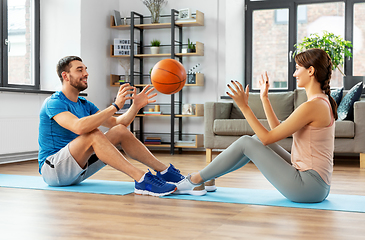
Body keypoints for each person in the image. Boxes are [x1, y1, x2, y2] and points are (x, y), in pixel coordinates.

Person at [175, 48, 337, 203]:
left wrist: (244, 106)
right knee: (254, 139)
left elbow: (267, 138)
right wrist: (264, 97)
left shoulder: (313, 106)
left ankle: (195, 180)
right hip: (314, 184)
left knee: (247, 142)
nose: (294, 74)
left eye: (297, 68)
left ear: (310, 71)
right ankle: (208, 177)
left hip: (309, 187)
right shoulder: (320, 102)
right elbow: (277, 131)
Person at [38, 56, 200, 197]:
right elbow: (79, 127)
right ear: (65, 76)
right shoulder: (54, 102)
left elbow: (117, 123)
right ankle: (142, 179)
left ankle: (165, 172)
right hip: (54, 171)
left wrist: (135, 106)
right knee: (93, 134)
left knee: (119, 131)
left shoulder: (84, 104)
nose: (86, 73)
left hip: (79, 169)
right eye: (79, 70)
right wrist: (115, 106)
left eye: (86, 69)